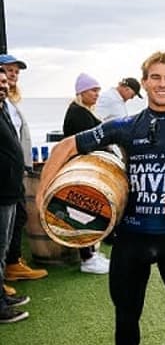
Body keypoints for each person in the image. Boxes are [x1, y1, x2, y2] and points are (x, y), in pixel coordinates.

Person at [36, 51, 165, 345]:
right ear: (144, 82)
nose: (162, 84)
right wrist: (42, 196)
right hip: (131, 239)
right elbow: (67, 146)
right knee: (126, 319)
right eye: (155, 77)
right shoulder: (124, 125)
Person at [0, 54, 48, 289]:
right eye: (7, 70)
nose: (12, 74)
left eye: (16, 71)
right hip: (4, 176)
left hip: (14, 173)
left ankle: (11, 264)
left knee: (17, 218)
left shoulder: (10, 102)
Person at [62, 73, 109, 274]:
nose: (97, 94)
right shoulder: (77, 114)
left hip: (87, 169)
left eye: (98, 90)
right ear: (82, 92)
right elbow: (86, 144)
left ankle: (91, 253)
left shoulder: (82, 111)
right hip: (82, 170)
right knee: (83, 212)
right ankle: (87, 259)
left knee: (90, 211)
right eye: (93, 90)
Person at [0, 66, 31, 323]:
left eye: (4, 81)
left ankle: (1, 293)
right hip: (1, 190)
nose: (4, 85)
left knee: (3, 247)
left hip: (10, 188)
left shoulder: (3, 109)